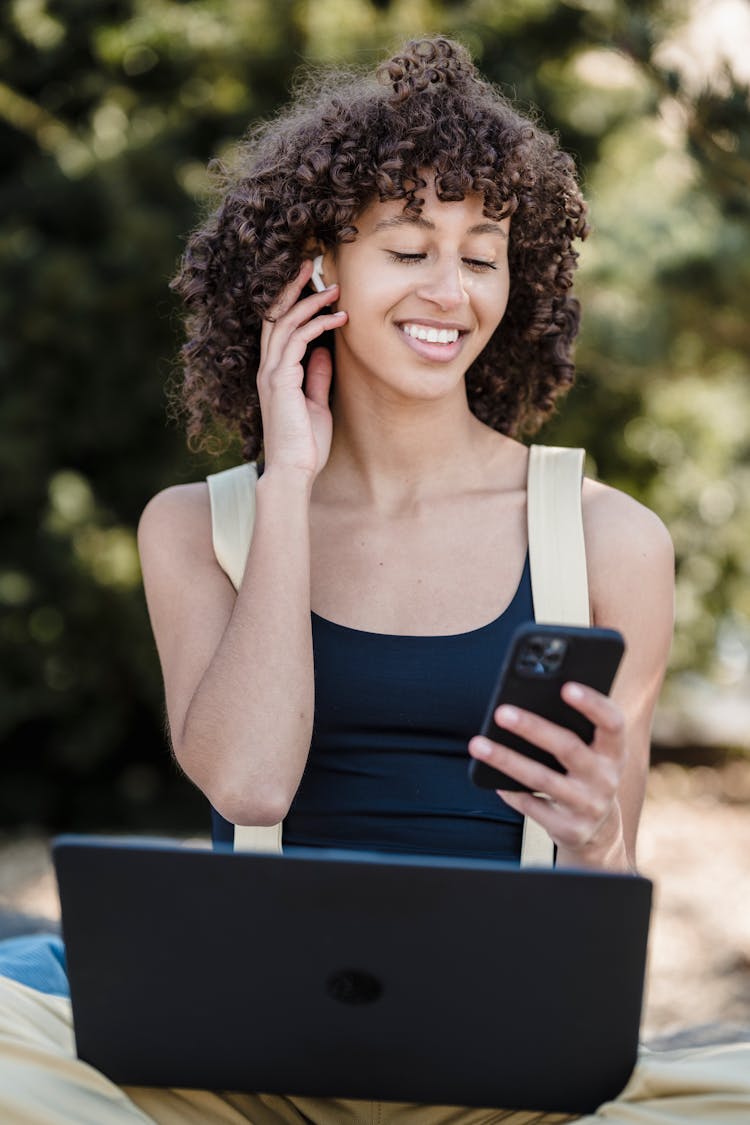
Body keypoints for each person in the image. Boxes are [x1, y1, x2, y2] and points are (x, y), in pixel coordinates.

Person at [0, 33, 748, 1125]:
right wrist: (290, 480)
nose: (452, 291)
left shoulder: (608, 539)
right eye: (409, 248)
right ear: (317, 269)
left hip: (499, 1062)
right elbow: (250, 787)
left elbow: (604, 927)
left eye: (482, 253)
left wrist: (597, 840)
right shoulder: (196, 529)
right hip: (244, 1058)